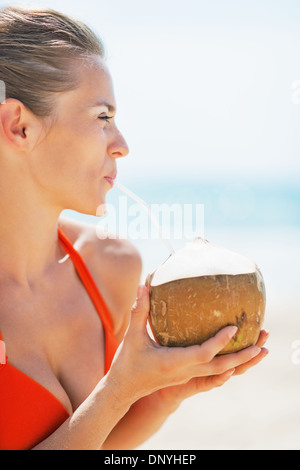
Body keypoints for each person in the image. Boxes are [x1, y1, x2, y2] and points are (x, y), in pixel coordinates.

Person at [0, 5, 269, 450]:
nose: (122, 145)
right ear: (19, 126)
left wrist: (160, 395)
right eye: (103, 118)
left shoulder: (112, 266)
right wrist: (119, 390)